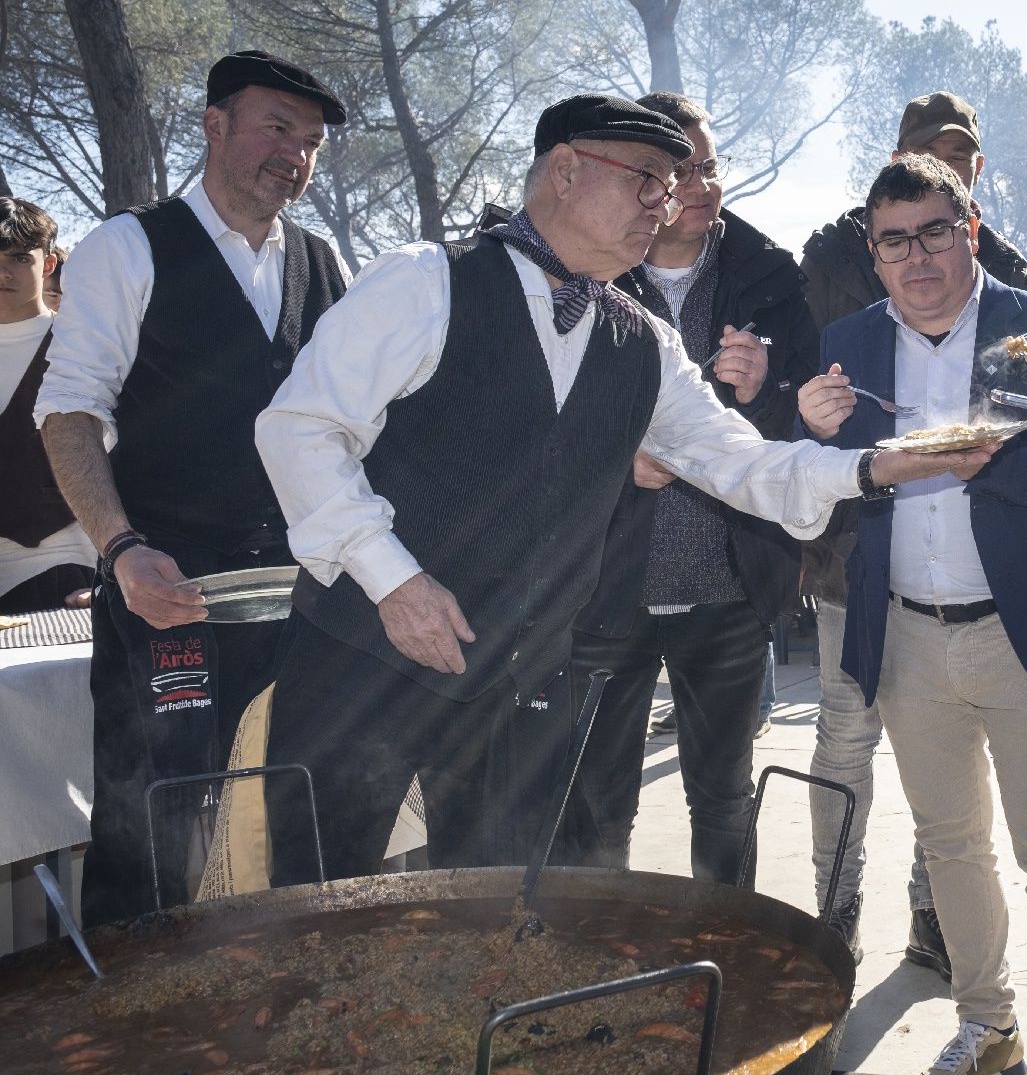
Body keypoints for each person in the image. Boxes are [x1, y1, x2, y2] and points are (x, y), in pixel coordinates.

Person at [254, 95, 969, 887]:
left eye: (670, 186)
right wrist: (394, 581)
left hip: (512, 694)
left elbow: (741, 463)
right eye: (647, 181)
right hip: (360, 670)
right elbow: (300, 432)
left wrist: (872, 468)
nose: (663, 204)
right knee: (321, 921)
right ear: (565, 170)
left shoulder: (640, 340)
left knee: (498, 928)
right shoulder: (425, 283)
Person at [797, 154, 1027, 1075]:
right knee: (950, 844)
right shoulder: (847, 340)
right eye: (895, 240)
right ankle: (989, 1023)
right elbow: (831, 482)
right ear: (875, 252)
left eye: (935, 231)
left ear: (968, 230)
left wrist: (991, 463)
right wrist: (814, 429)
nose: (917, 256)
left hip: (1024, 628)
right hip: (907, 635)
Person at [35, 51, 350, 926]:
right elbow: (69, 415)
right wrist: (122, 548)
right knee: (157, 827)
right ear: (213, 126)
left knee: (292, 817)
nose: (296, 153)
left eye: (313, 141)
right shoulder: (127, 246)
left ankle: (270, 1019)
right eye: (277, 127)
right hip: (163, 591)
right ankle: (126, 1040)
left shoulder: (324, 266)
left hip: (299, 602)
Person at [799, 90, 1027, 979]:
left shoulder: (1002, 267)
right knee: (846, 734)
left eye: (964, 155)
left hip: (972, 555)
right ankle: (834, 908)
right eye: (931, 151)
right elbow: (807, 379)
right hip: (855, 553)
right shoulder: (830, 253)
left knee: (950, 755)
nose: (953, 163)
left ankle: (937, 909)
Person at [565, 92, 817, 883]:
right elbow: (544, 424)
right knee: (601, 804)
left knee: (725, 799)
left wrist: (766, 393)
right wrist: (617, 453)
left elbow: (808, 431)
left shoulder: (770, 276)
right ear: (643, 182)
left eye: (710, 165)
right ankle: (608, 974)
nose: (702, 186)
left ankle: (725, 972)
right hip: (609, 591)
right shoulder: (579, 275)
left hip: (728, 587)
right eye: (679, 171)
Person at [0, 199, 95, 614]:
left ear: (49, 264)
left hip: (66, 575)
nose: (4, 272)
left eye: (20, 257)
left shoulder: (83, 347)